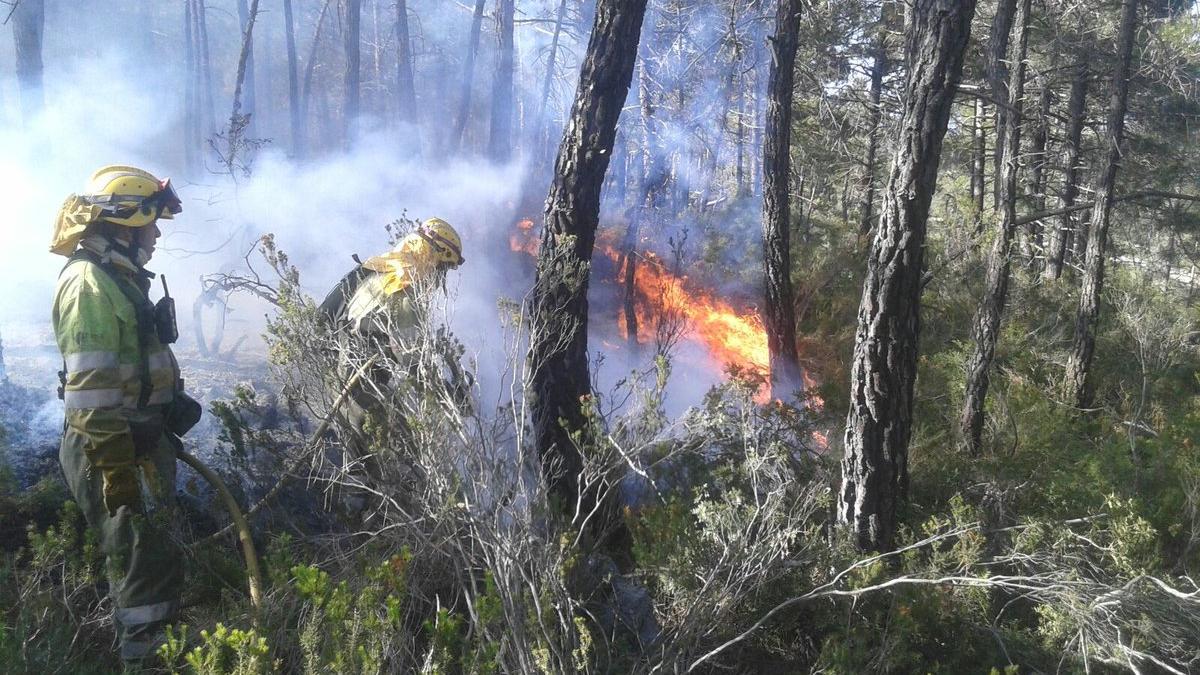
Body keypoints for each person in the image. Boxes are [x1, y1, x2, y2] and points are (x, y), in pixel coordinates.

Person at [49, 165, 201, 664]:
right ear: (119, 226)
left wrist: (165, 415)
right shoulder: (90, 285)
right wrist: (117, 471)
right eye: (148, 225)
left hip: (136, 442)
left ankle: (162, 652)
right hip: (111, 448)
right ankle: (146, 660)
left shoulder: (119, 279)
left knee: (153, 560)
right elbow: (91, 397)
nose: (156, 235)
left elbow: (133, 365)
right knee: (140, 578)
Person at [318, 218, 466, 503]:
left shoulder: (381, 269)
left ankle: (366, 520)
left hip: (343, 379)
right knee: (411, 459)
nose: (440, 278)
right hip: (363, 389)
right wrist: (449, 399)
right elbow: (415, 366)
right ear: (430, 256)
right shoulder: (404, 292)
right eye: (442, 268)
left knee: (365, 470)